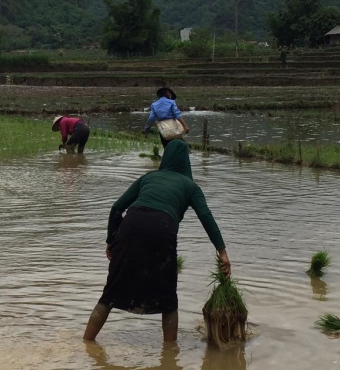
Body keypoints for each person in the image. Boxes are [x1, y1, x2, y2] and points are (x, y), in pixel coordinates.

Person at [83, 139, 230, 343]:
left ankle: (86, 343)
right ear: (186, 162)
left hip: (130, 225)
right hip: (163, 227)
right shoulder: (191, 186)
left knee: (109, 294)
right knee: (168, 299)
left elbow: (116, 208)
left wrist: (111, 240)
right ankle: (169, 357)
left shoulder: (148, 178)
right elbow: (206, 216)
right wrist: (222, 251)